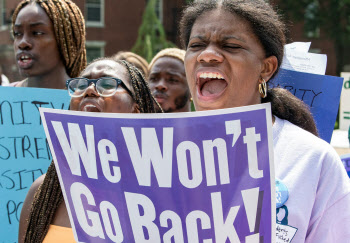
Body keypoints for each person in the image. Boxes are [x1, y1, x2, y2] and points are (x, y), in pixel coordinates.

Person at [180, 0, 350, 242]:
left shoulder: (312, 160)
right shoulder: (151, 153)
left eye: (229, 45)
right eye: (196, 45)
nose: (207, 54)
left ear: (266, 68)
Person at [18, 58, 161, 243]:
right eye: (81, 84)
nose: (90, 90)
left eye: (108, 83)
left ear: (136, 109)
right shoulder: (43, 191)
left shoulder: (162, 193)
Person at [11, 0, 86, 88]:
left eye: (37, 33)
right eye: (17, 34)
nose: (22, 43)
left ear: (66, 41)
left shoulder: (89, 98)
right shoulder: (5, 96)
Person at [148, 48, 192, 113]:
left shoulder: (208, 123)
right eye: (154, 78)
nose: (160, 85)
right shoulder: (132, 123)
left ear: (192, 89)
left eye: (172, 80)